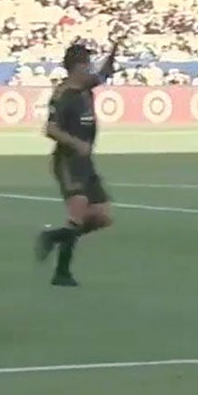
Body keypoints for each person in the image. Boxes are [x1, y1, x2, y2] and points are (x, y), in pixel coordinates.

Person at [34, 39, 119, 287]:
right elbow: (49, 129)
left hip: (85, 162)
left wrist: (114, 51)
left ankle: (53, 237)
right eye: (88, 65)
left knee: (102, 217)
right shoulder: (63, 95)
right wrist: (75, 143)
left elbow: (104, 74)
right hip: (68, 162)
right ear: (77, 68)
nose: (92, 69)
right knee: (78, 212)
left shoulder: (86, 86)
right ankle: (62, 273)